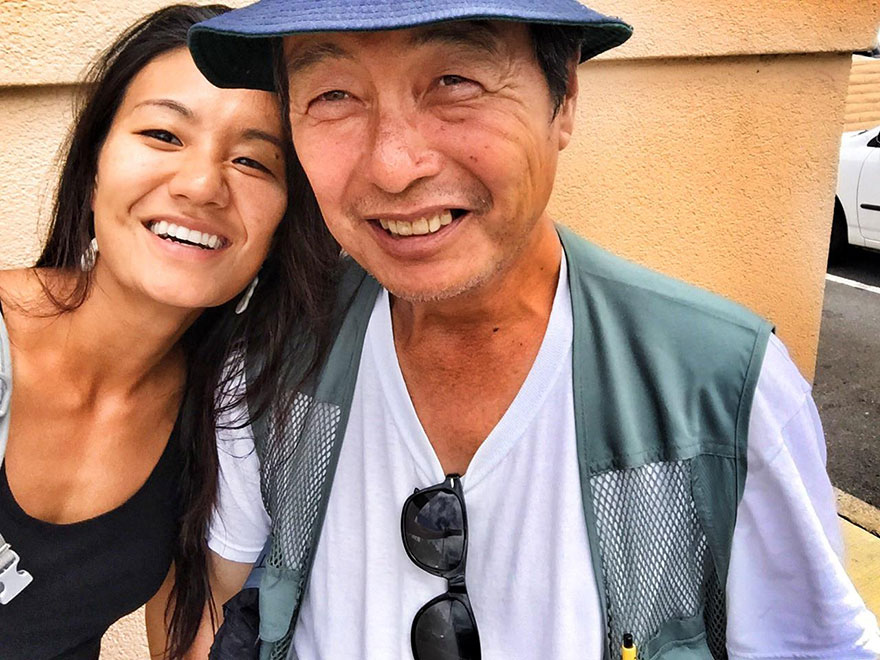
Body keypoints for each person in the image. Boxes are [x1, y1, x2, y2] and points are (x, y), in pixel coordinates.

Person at [188, 1, 880, 659]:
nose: (392, 167)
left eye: (455, 81)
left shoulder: (721, 394)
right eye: (333, 95)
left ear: (564, 96)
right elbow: (221, 605)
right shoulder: (271, 364)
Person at [0, 4, 339, 659]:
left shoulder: (224, 421)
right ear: (93, 165)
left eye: (254, 162)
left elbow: (189, 633)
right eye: (163, 135)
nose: (203, 185)